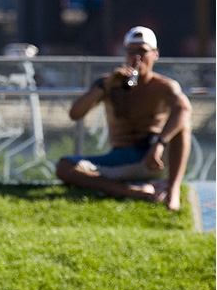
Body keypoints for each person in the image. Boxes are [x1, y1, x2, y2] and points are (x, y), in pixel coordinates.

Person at [56, 26, 192, 211]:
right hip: (120, 158)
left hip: (154, 156)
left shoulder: (163, 86)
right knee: (64, 167)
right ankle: (131, 191)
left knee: (182, 122)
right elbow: (76, 113)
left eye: (142, 51)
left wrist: (159, 144)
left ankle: (172, 189)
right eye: (131, 51)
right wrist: (105, 86)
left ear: (155, 54)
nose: (136, 58)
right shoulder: (109, 83)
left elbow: (184, 109)